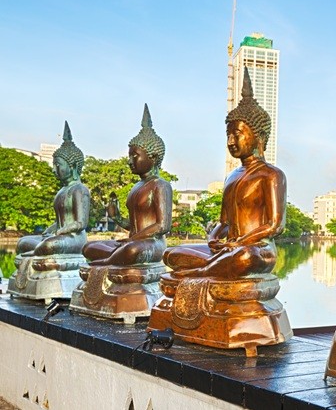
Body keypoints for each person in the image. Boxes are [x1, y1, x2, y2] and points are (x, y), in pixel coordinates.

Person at [163, 70, 286, 279]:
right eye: (228, 135)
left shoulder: (271, 175)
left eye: (237, 135)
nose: (231, 142)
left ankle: (202, 271)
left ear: (259, 137)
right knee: (171, 253)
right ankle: (215, 266)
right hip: (228, 248)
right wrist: (213, 238)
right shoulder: (232, 176)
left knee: (245, 258)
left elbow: (275, 225)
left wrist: (240, 242)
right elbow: (224, 222)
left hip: (256, 249)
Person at [83, 105, 171, 266]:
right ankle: (115, 258)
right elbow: (134, 224)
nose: (130, 161)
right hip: (133, 241)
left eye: (135, 156)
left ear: (153, 157)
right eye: (129, 156)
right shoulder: (136, 187)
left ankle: (109, 262)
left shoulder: (160, 185)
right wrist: (116, 216)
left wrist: (132, 239)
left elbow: (162, 225)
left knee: (131, 251)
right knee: (89, 247)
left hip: (151, 244)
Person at [18, 122, 89, 257]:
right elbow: (60, 220)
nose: (54, 170)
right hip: (60, 235)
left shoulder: (80, 190)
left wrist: (61, 231)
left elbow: (81, 222)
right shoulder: (62, 190)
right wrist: (50, 230)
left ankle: (37, 252)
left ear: (72, 166)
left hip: (74, 238)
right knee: (23, 242)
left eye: (58, 165)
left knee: (49, 245)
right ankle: (38, 251)